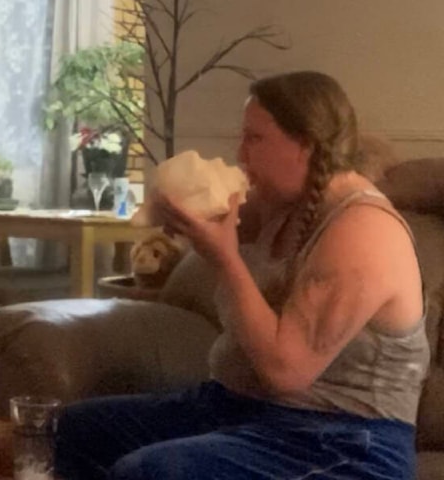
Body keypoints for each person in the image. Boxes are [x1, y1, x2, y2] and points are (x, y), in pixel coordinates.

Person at [54, 71, 429, 479]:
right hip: (236, 408)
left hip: (342, 439)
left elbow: (286, 371)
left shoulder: (364, 231)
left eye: (255, 139)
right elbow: (200, 213)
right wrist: (180, 204)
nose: (240, 154)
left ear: (305, 144)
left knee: (150, 472)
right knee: (69, 431)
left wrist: (225, 260)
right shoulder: (284, 203)